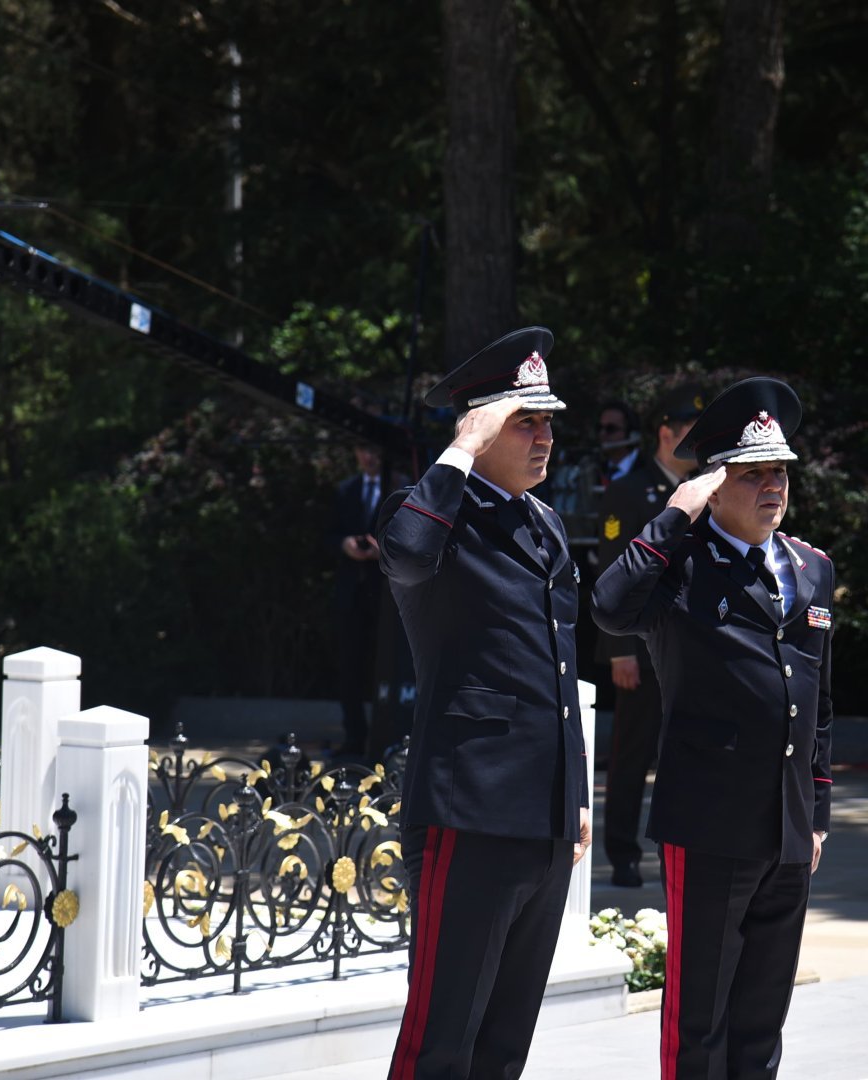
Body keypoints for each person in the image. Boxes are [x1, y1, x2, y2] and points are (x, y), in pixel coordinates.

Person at [592, 377, 833, 1080]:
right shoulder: (681, 567)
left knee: (762, 1018)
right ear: (714, 485)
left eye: (779, 472)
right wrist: (672, 515)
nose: (772, 487)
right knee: (698, 1020)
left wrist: (816, 812)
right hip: (708, 821)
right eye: (752, 473)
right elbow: (609, 608)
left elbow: (819, 705)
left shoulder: (811, 569)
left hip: (787, 826)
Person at [377, 326, 591, 1080]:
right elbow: (402, 555)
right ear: (480, 423)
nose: (544, 438)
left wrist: (576, 797)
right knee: (444, 1032)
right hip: (470, 807)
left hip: (542, 817)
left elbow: (559, 676)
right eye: (524, 421)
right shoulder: (433, 508)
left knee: (505, 1040)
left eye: (547, 422)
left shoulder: (543, 524)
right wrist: (460, 451)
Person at [593, 385, 706, 887]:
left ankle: (684, 848)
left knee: (689, 753)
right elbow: (612, 569)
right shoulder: (629, 490)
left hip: (693, 649)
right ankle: (622, 852)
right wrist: (619, 650)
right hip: (639, 646)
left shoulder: (708, 491)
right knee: (632, 754)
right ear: (666, 434)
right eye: (689, 434)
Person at [328, 441, 388, 760]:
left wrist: (385, 551)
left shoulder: (401, 486)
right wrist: (345, 545)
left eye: (374, 451)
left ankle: (387, 738)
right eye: (364, 450)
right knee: (349, 667)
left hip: (385, 594)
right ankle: (354, 738)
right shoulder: (346, 490)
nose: (369, 456)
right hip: (351, 592)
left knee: (386, 667)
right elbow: (328, 534)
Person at [596, 400, 641, 485]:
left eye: (610, 429)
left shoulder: (648, 469)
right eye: (599, 428)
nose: (602, 434)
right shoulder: (596, 471)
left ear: (630, 434)